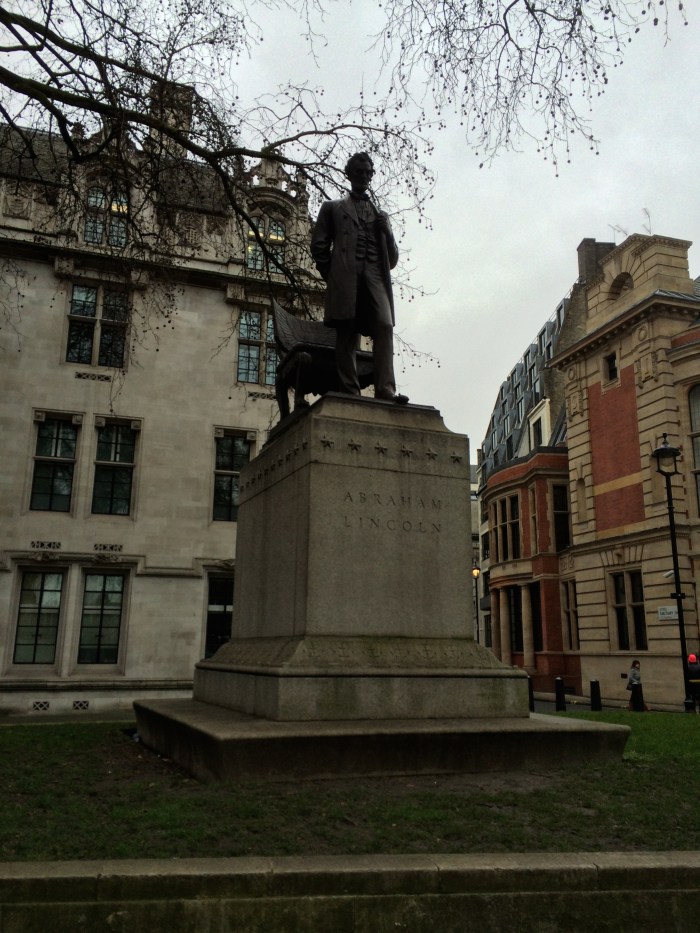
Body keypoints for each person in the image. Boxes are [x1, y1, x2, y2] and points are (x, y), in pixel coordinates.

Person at [310, 152, 408, 404]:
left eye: (368, 172)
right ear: (349, 174)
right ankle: (349, 390)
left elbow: (392, 260)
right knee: (347, 329)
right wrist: (333, 276)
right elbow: (319, 247)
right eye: (359, 171)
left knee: (384, 325)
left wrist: (388, 232)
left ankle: (385, 388)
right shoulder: (332, 208)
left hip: (375, 275)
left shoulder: (380, 215)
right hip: (346, 276)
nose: (364, 176)